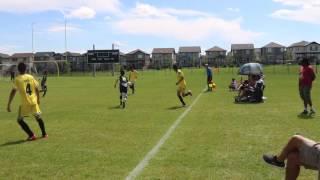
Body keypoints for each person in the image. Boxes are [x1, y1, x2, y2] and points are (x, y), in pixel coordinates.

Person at [7, 62, 47, 141]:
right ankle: (44, 134)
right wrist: (38, 99)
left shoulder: (17, 79)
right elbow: (36, 88)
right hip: (33, 101)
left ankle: (31, 135)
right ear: (26, 69)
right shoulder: (31, 77)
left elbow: (13, 91)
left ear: (18, 70)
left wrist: (9, 104)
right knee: (38, 117)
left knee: (20, 120)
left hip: (25, 103)